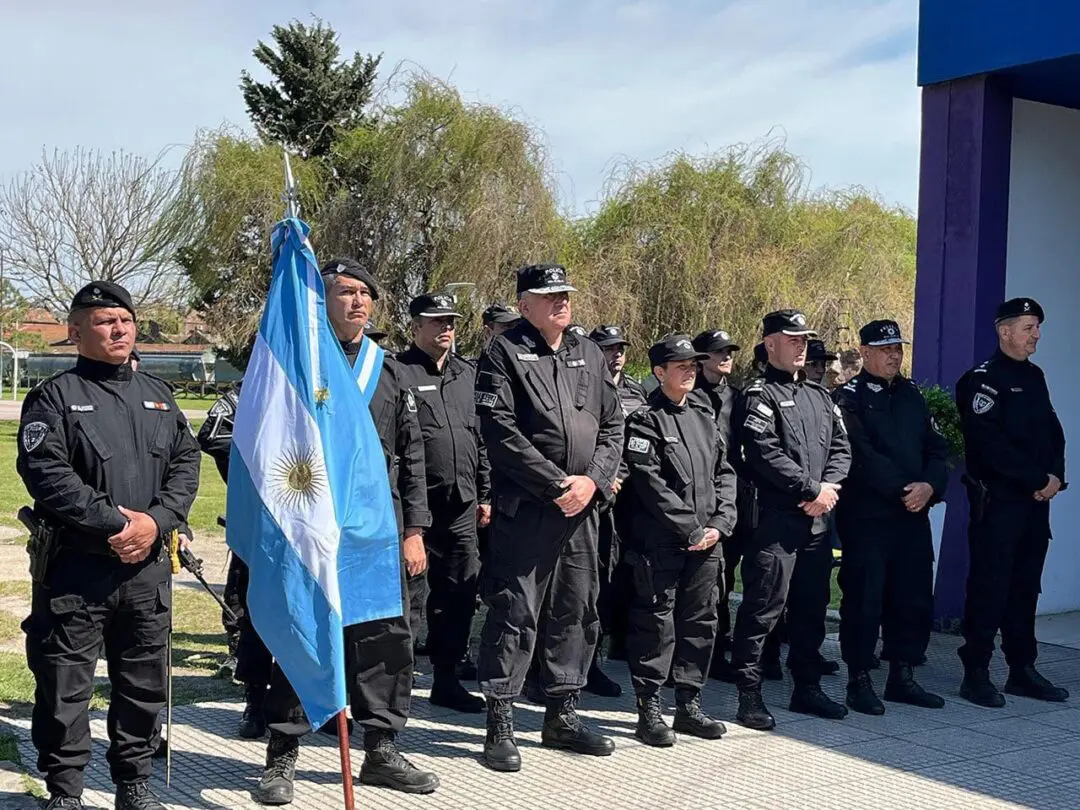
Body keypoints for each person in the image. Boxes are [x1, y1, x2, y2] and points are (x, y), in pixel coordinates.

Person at [256, 257, 437, 804]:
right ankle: (282, 756)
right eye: (343, 292)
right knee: (303, 635)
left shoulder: (390, 371)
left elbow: (412, 456)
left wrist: (415, 530)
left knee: (384, 642)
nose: (356, 302)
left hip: (375, 534)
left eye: (365, 293)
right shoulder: (299, 363)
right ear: (322, 301)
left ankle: (381, 749)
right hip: (310, 529)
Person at [18, 281, 200, 810]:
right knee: (64, 687)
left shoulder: (160, 397)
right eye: (103, 321)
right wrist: (114, 524)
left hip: (146, 573)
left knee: (144, 683)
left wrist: (158, 522)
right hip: (78, 569)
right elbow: (45, 472)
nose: (119, 329)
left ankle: (134, 785)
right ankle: (65, 792)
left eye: (125, 320)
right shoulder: (54, 395)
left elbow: (186, 466)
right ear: (75, 332)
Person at [473, 262, 624, 772]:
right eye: (548, 294)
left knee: (576, 610)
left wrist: (592, 482)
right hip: (531, 508)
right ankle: (500, 722)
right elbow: (500, 432)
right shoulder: (503, 351)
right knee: (515, 611)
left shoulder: (587, 351)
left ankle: (562, 715)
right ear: (525, 305)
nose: (561, 300)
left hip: (582, 510)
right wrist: (557, 485)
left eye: (565, 293)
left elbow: (612, 425)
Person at [730, 309, 852, 731]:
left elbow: (841, 449)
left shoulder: (820, 396)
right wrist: (810, 489)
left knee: (811, 609)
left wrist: (829, 489)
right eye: (793, 338)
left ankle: (808, 688)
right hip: (776, 522)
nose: (801, 345)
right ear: (770, 345)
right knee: (763, 609)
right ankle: (749, 693)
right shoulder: (758, 395)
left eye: (805, 339)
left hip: (817, 524)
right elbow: (762, 453)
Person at [955, 297, 1069, 707]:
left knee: (1025, 588)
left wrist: (1054, 479)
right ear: (1005, 331)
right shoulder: (982, 381)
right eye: (1029, 327)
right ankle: (976, 672)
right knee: (991, 587)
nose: (1036, 334)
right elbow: (989, 446)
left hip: (1036, 504)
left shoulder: (1034, 376)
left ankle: (1022, 669)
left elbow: (1053, 433)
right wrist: (1037, 479)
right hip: (1000, 505)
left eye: (1037, 327)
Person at [622, 335, 736, 746]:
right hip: (666, 543)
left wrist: (721, 523)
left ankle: (688, 704)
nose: (690, 371)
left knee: (701, 621)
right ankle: (649, 708)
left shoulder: (704, 415)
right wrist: (690, 527)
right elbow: (650, 485)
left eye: (693, 365)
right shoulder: (645, 420)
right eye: (681, 366)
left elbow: (725, 473)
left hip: (708, 541)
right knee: (656, 624)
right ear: (659, 372)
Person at [835, 320, 947, 715]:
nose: (894, 355)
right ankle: (859, 680)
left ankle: (902, 675)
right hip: (870, 516)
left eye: (898, 348)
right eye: (885, 349)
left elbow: (937, 447)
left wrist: (930, 487)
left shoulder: (912, 394)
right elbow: (861, 456)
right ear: (864, 352)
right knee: (865, 599)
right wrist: (907, 490)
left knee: (913, 597)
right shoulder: (848, 397)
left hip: (913, 515)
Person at [397, 293, 490, 714]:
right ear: (415, 327)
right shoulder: (396, 372)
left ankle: (447, 679)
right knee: (407, 600)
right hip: (413, 508)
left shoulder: (467, 375)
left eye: (450, 321)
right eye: (436, 322)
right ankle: (394, 688)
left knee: (458, 595)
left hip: (461, 508)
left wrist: (485, 493)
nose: (445, 328)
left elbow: (482, 439)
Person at [197, 383, 277, 739]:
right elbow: (211, 434)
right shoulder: (246, 390)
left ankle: (311, 704)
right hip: (256, 524)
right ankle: (255, 702)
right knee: (254, 616)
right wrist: (269, 453)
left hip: (309, 527)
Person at [584, 323, 647, 694]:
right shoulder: (585, 386)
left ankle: (598, 658)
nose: (617, 354)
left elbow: (633, 443)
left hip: (625, 500)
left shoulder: (636, 393)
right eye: (608, 347)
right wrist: (603, 477)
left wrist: (619, 475)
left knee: (610, 583)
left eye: (621, 347)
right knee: (584, 584)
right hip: (593, 493)